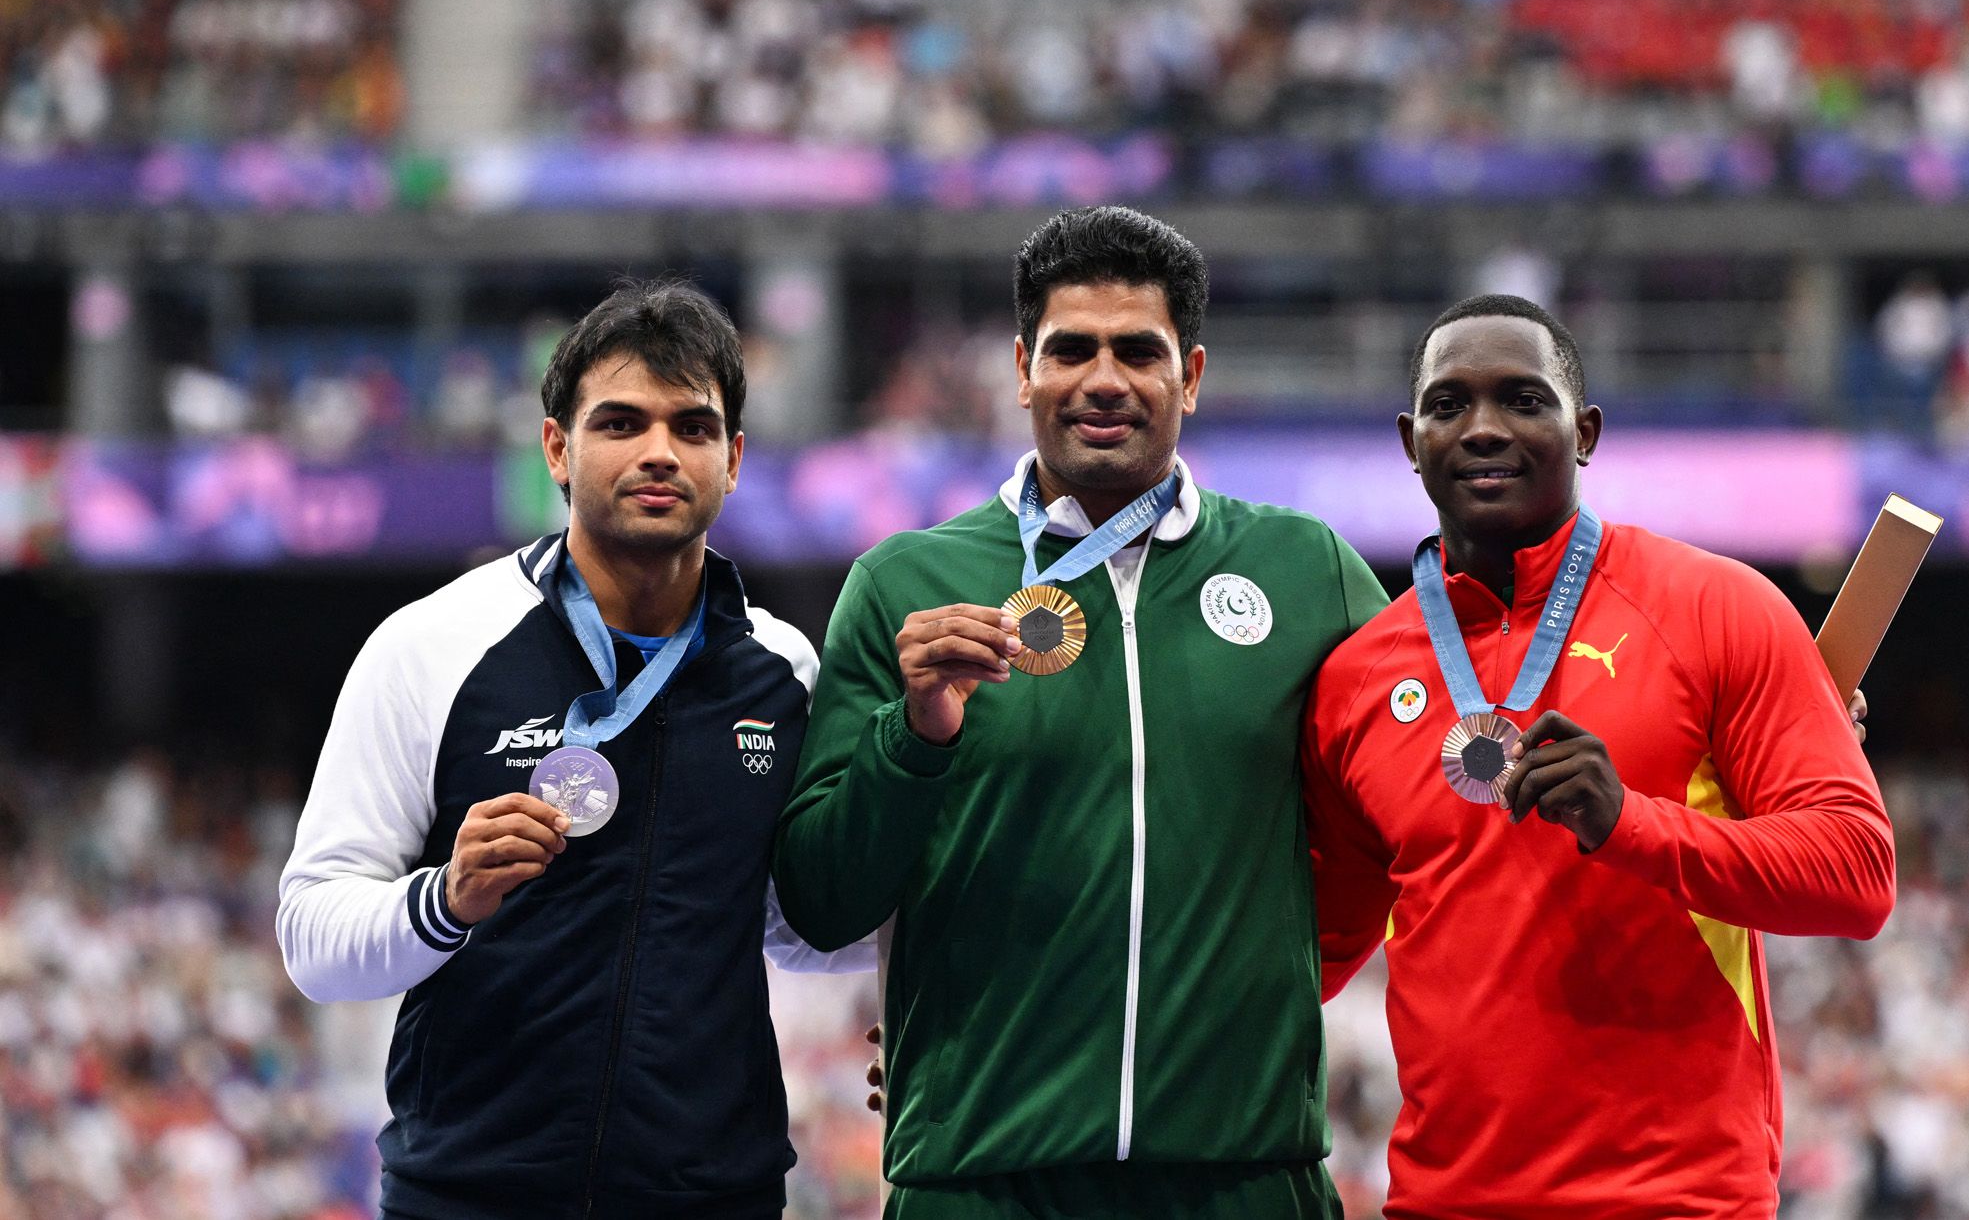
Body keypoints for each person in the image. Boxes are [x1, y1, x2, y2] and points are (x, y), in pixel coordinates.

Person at [775, 206, 1391, 1218]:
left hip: (1246, 1180)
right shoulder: (904, 582)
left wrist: (1281, 974)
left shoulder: (1305, 571)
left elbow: (1405, 805)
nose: (1103, 378)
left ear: (1188, 375)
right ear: (1022, 369)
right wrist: (914, 733)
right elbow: (820, 900)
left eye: (1137, 350)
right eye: (1071, 349)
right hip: (979, 1181)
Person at [277, 278, 865, 1220]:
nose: (660, 453)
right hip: (468, 1198)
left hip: (715, 1198)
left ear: (736, 457)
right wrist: (444, 899)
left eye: (694, 425)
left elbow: (796, 927)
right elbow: (311, 939)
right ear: (557, 446)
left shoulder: (783, 671)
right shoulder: (430, 646)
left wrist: (931, 980)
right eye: (622, 422)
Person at [1301, 294, 1896, 1218]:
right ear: (1409, 440)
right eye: (1450, 404)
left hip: (1677, 1199)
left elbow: (1856, 876)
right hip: (1442, 1203)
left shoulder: (1718, 609)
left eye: (1524, 400)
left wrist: (1631, 822)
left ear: (1585, 432)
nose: (1485, 427)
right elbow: (1313, 951)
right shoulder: (1354, 679)